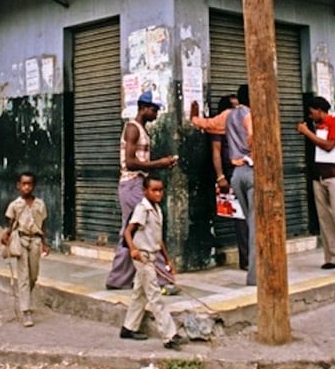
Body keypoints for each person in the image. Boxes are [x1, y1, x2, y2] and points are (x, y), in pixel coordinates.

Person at [105, 91, 179, 292]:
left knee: (130, 231)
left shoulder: (140, 130)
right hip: (131, 184)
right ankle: (163, 279)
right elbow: (129, 163)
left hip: (135, 184)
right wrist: (159, 164)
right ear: (144, 108)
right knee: (147, 229)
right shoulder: (132, 129)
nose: (156, 114)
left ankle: (118, 279)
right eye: (154, 110)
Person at [193, 84, 256, 285]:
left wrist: (194, 115)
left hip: (237, 174)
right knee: (255, 225)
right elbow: (254, 136)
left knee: (248, 220)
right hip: (253, 170)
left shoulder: (228, 115)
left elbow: (203, 123)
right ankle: (255, 275)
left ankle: (251, 267)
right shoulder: (250, 115)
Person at [119, 175, 186, 350]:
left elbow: (158, 238)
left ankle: (128, 327)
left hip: (152, 255)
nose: (158, 194)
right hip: (142, 257)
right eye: (154, 190)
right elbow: (128, 231)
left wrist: (168, 259)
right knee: (155, 296)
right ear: (145, 191)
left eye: (160, 190)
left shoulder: (157, 209)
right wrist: (133, 249)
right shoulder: (142, 209)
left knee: (139, 294)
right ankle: (169, 336)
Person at [295, 96, 335, 275]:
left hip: (333, 176)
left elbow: (329, 146)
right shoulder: (316, 126)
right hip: (318, 176)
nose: (310, 115)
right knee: (325, 218)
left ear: (319, 110)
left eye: (312, 111)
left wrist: (307, 133)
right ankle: (334, 257)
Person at [202, 94, 249, 271]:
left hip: (246, 168)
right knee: (241, 217)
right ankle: (246, 259)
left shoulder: (243, 123)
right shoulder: (220, 127)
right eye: (233, 107)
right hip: (232, 172)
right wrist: (220, 176)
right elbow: (216, 152)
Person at [2, 171, 50, 327]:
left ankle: (25, 298)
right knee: (23, 275)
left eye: (29, 184)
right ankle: (26, 311)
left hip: (35, 240)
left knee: (33, 275)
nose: (26, 187)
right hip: (21, 240)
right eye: (24, 184)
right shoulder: (15, 205)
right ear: (19, 186)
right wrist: (7, 235)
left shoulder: (40, 204)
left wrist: (44, 243)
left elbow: (44, 225)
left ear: (33, 186)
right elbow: (10, 224)